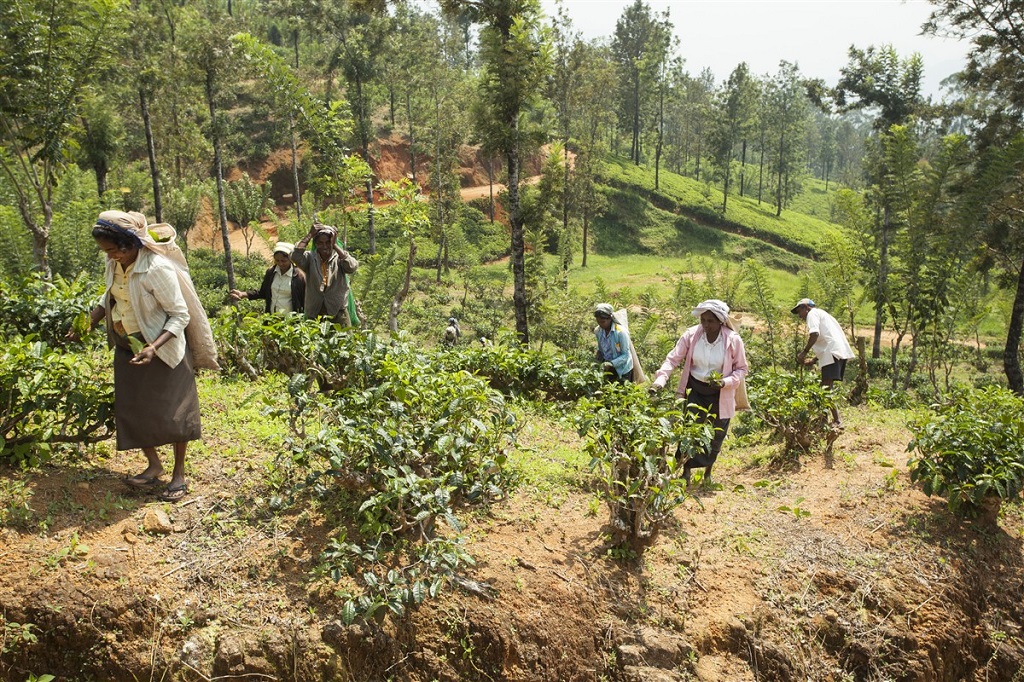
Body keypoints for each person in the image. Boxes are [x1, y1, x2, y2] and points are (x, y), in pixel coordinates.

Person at [70, 210, 215, 502]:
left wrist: (154, 347)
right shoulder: (117, 262)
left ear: (128, 243)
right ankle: (154, 465)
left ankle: (178, 475)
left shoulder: (156, 268)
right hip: (129, 344)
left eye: (112, 251)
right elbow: (109, 296)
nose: (110, 257)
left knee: (175, 414)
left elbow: (179, 315)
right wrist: (90, 321)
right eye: (106, 252)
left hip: (162, 349)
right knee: (133, 409)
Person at [650, 299, 749, 482]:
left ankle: (708, 472)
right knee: (690, 430)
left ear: (720, 321)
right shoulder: (691, 335)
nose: (705, 325)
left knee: (716, 433)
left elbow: (742, 368)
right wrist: (660, 380)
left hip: (720, 393)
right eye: (703, 320)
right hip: (695, 389)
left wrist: (724, 382)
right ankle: (686, 471)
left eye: (710, 321)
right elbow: (673, 359)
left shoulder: (732, 340)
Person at [791, 298, 854, 425]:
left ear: (805, 307)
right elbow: (826, 338)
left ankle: (836, 420)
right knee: (825, 386)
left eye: (799, 312)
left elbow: (814, 334)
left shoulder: (812, 314)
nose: (799, 316)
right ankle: (824, 419)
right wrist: (814, 360)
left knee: (825, 388)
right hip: (838, 351)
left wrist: (804, 352)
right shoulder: (824, 314)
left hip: (832, 352)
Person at [290, 222, 359, 325]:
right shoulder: (310, 258)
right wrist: (309, 235)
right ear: (316, 244)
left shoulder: (339, 258)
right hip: (315, 312)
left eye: (328, 242)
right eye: (320, 243)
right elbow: (295, 256)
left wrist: (335, 245)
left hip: (338, 312)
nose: (324, 246)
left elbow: (352, 266)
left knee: (344, 340)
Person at [229, 241, 306, 314]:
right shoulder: (271, 273)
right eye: (277, 260)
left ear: (291, 260)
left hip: (291, 321)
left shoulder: (298, 276)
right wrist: (243, 294)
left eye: (283, 261)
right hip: (272, 318)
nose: (280, 263)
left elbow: (305, 300)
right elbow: (263, 292)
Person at [593, 303, 634, 383]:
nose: (600, 324)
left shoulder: (620, 332)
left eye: (603, 322)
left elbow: (626, 355)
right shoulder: (598, 331)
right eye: (598, 322)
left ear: (610, 319)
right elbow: (601, 350)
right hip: (608, 368)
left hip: (622, 369)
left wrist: (611, 363)